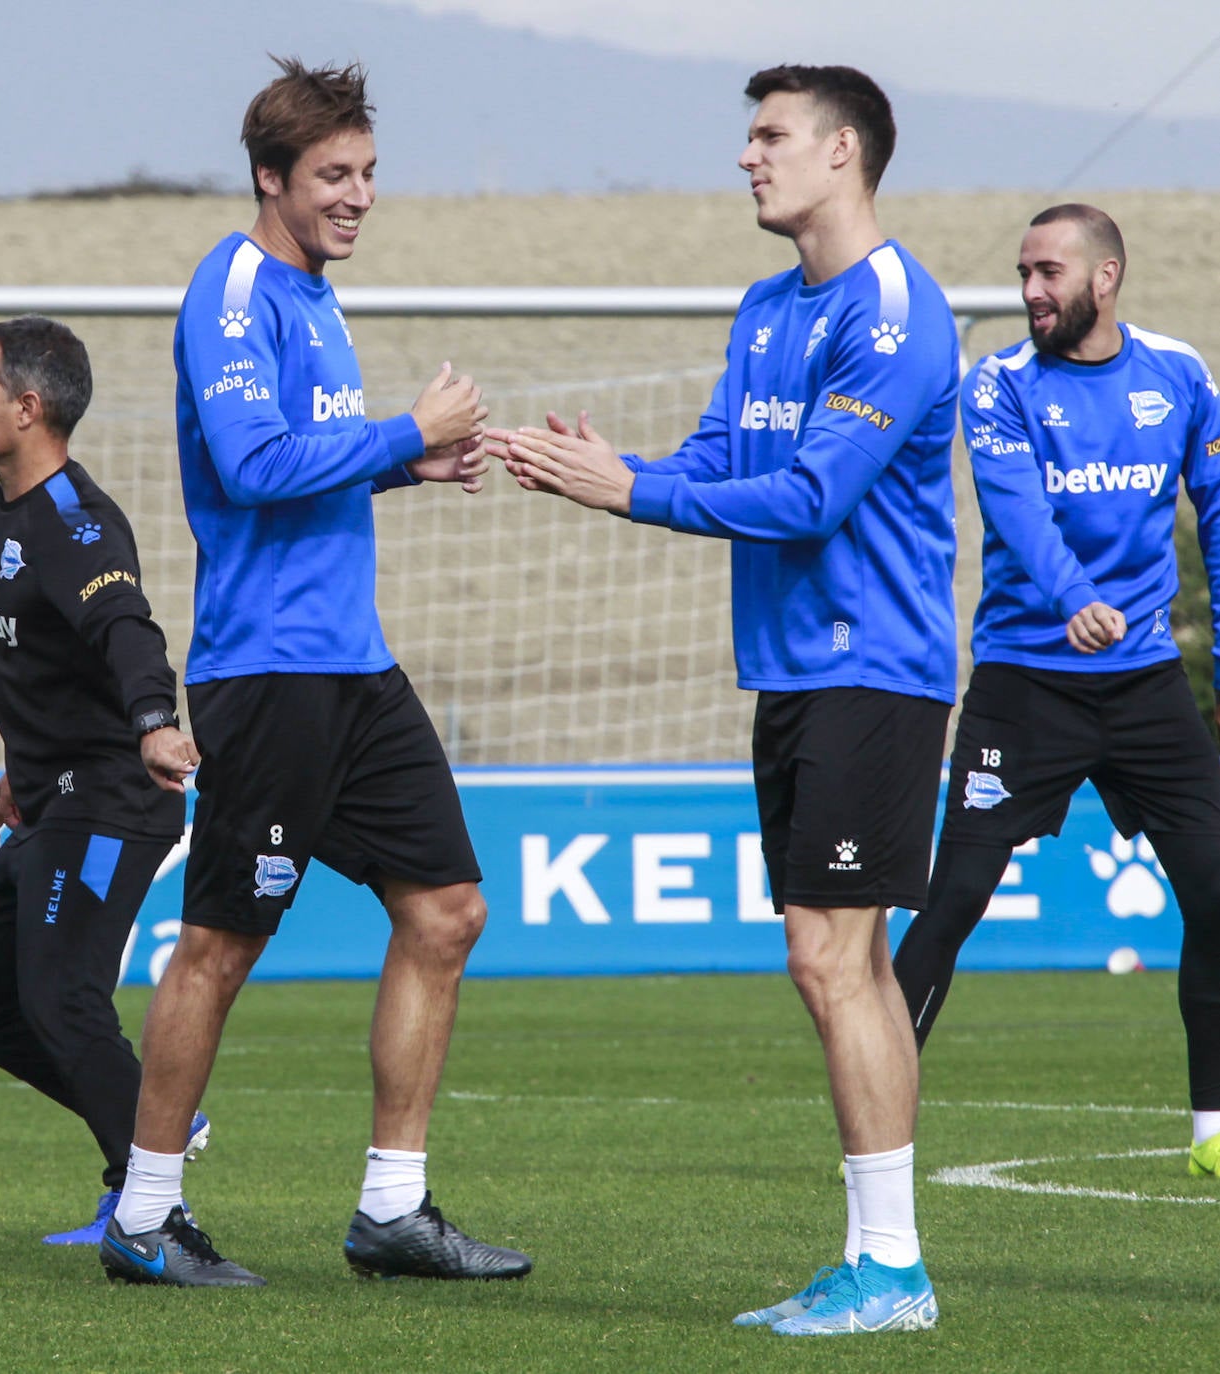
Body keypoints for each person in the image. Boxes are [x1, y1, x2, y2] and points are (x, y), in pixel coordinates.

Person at [487, 64, 955, 1337]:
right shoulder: (764, 307)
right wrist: (602, 466)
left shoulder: (898, 310)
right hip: (795, 677)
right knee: (835, 965)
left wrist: (625, 493)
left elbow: (811, 496)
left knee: (828, 960)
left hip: (872, 668)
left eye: (768, 136)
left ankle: (893, 1270)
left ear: (841, 151)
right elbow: (718, 458)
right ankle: (876, 1259)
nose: (746, 158)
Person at [98, 57, 531, 1288]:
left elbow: (306, 460)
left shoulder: (310, 294)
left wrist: (403, 471)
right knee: (221, 943)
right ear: (270, 177)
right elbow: (248, 464)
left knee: (446, 910)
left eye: (369, 174)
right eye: (334, 176)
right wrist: (407, 433)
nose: (358, 196)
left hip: (352, 666)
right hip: (271, 671)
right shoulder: (232, 288)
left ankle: (392, 1211)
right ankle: (144, 1212)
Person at [892, 203, 1220, 1176]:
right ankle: (875, 1125)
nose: (1031, 291)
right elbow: (1017, 512)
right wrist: (1072, 597)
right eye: (1022, 273)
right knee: (951, 899)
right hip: (1023, 683)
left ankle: (1211, 1129)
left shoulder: (1179, 375)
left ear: (1103, 277)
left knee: (1213, 897)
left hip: (1144, 686)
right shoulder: (995, 384)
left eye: (1047, 273)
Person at [0, 316, 209, 1247]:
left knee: (62, 999)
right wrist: (19, 769)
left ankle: (151, 1192)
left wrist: (152, 722)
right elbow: (36, 664)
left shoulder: (76, 522)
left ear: (28, 406)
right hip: (53, 797)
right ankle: (147, 1120)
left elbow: (125, 630)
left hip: (113, 799)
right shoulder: (0, 510)